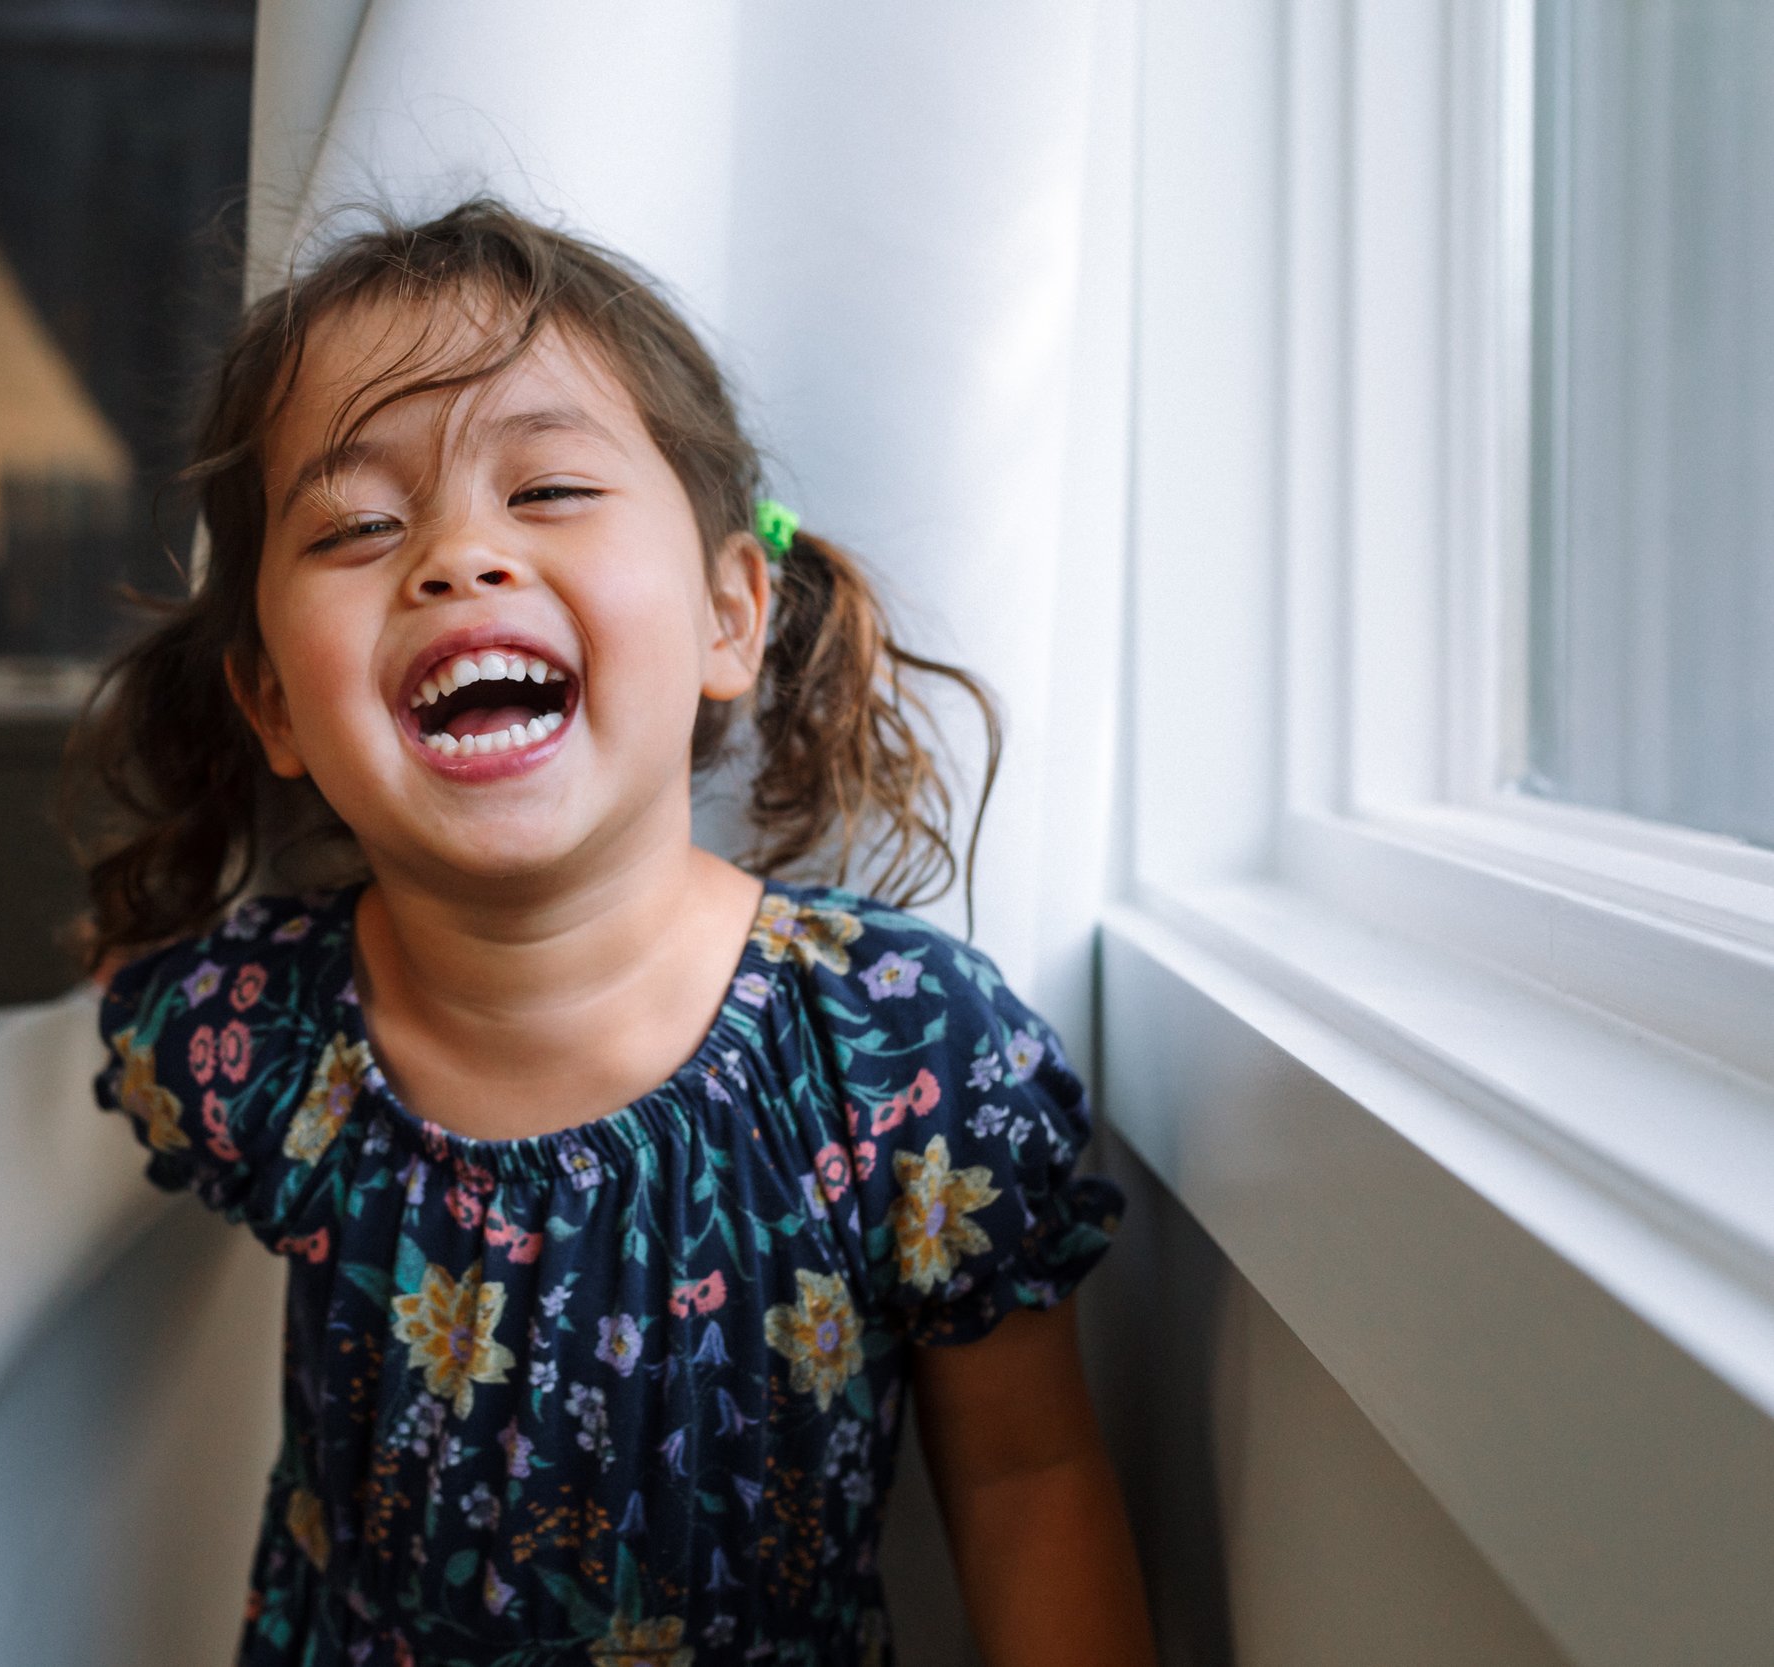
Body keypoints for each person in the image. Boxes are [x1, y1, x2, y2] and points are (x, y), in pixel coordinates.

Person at [67, 199, 1153, 1666]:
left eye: (552, 491)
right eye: (360, 525)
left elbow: (1031, 1484)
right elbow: (122, 988)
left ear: (729, 614)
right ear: (273, 705)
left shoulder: (903, 1051)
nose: (454, 557)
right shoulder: (257, 1034)